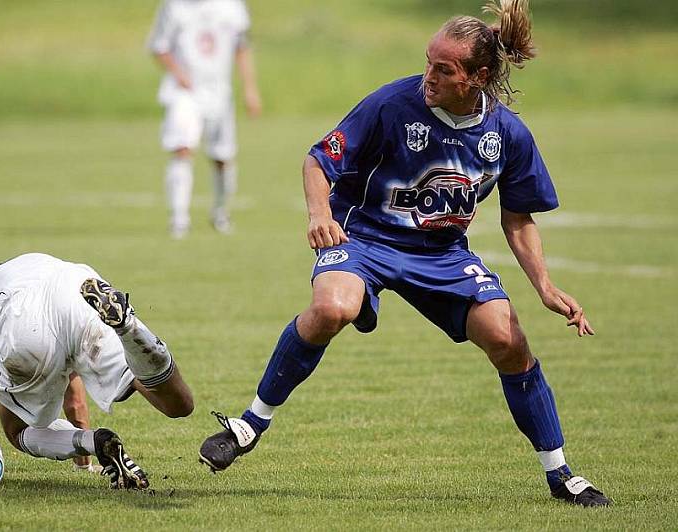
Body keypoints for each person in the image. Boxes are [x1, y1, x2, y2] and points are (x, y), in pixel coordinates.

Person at [199, 0, 611, 507]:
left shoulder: (507, 134)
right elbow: (318, 160)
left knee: (508, 340)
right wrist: (319, 215)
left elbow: (518, 218)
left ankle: (562, 474)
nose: (428, 77)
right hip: (365, 238)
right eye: (428, 62)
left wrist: (545, 287)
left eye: (444, 69)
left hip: (441, 254)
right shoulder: (393, 105)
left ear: (478, 77)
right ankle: (249, 425)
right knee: (332, 308)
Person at [0, 249, 193, 489]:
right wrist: (85, 463)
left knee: (16, 429)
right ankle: (128, 328)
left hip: (24, 321)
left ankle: (93, 439)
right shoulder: (14, 273)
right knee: (178, 405)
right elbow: (72, 395)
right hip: (78, 287)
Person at [147, 0, 262, 238]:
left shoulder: (232, 7)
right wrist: (180, 75)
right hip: (185, 92)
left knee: (222, 156)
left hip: (219, 93)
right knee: (182, 148)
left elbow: (242, 48)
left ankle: (220, 213)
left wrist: (250, 89)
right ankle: (179, 219)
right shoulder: (174, 7)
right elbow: (159, 47)